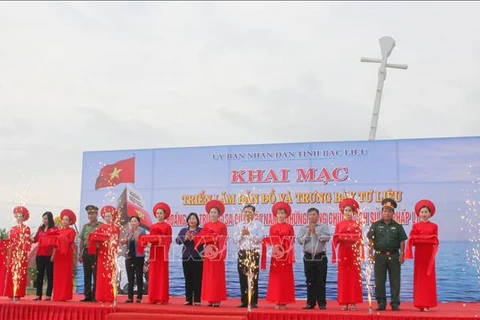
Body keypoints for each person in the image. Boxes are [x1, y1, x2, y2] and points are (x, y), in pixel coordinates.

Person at [367, 198, 408, 311]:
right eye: (385, 210)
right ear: (382, 212)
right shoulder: (375, 225)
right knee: (379, 281)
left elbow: (402, 241)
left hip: (394, 255)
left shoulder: (398, 226)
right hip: (380, 256)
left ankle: (395, 303)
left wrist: (402, 254)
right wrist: (370, 254)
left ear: (393, 213)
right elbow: (371, 241)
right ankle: (381, 303)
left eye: (390, 211)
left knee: (395, 280)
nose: (387, 213)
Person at [405, 199, 439, 312]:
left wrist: (426, 240)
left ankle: (428, 303)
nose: (424, 214)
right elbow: (412, 240)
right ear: (419, 214)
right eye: (422, 212)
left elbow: (435, 239)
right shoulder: (415, 226)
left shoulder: (434, 226)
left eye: (426, 212)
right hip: (419, 254)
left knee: (428, 278)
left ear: (430, 214)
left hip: (429, 255)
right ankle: (420, 303)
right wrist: (416, 240)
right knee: (420, 278)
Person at [261, 201, 295, 310]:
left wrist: (283, 242)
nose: (280, 215)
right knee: (275, 278)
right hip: (276, 256)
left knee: (285, 278)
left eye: (282, 213)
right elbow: (271, 240)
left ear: (286, 215)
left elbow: (292, 240)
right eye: (278, 213)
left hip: (285, 255)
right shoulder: (272, 227)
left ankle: (284, 301)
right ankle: (276, 299)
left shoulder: (289, 227)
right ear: (276, 215)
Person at [194, 200, 227, 307]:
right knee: (208, 276)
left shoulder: (222, 225)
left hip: (217, 253)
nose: (213, 214)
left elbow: (224, 239)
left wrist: (217, 240)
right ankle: (209, 298)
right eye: (211, 212)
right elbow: (201, 238)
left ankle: (217, 299)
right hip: (208, 253)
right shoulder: (206, 225)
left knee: (217, 276)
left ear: (218, 214)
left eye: (215, 212)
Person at [331, 198, 363, 311]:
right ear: (342, 211)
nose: (348, 213)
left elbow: (360, 239)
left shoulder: (357, 224)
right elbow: (335, 238)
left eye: (350, 210)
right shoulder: (339, 224)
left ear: (353, 212)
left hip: (354, 253)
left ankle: (353, 302)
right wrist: (339, 238)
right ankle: (344, 302)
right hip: (343, 253)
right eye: (346, 210)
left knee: (354, 278)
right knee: (343, 277)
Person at [297, 207, 331, 310]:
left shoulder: (323, 226)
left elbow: (327, 238)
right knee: (310, 280)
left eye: (314, 214)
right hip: (308, 256)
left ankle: (322, 303)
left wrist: (316, 233)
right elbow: (299, 241)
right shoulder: (303, 228)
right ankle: (310, 303)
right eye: (310, 214)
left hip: (320, 256)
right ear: (307, 216)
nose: (312, 216)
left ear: (318, 216)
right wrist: (307, 234)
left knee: (321, 280)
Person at [232, 204, 264, 308]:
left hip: (253, 252)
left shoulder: (258, 224)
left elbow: (260, 239)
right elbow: (235, 239)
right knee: (242, 277)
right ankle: (244, 301)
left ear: (254, 213)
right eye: (245, 212)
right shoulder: (239, 225)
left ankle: (253, 301)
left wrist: (249, 233)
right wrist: (242, 234)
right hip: (243, 252)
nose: (247, 214)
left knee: (253, 277)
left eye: (250, 212)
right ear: (243, 213)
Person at [88, 205, 121, 303]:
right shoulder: (101, 227)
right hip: (102, 253)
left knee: (110, 275)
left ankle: (110, 296)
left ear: (113, 217)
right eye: (106, 216)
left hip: (111, 253)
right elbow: (94, 237)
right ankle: (101, 296)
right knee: (102, 275)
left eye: (109, 216)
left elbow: (116, 240)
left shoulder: (116, 228)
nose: (107, 218)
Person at [145, 202, 172, 304]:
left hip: (162, 252)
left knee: (162, 274)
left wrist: (162, 242)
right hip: (154, 251)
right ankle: (153, 297)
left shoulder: (167, 226)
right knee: (154, 274)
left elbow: (169, 240)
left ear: (164, 215)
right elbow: (150, 239)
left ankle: (161, 297)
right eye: (157, 213)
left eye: (161, 213)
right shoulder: (153, 226)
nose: (159, 215)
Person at [4, 206, 32, 301]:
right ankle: (11, 292)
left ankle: (17, 293)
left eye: (20, 216)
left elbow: (27, 242)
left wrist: (25, 252)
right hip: (13, 253)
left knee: (19, 273)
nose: (18, 218)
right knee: (12, 273)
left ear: (24, 218)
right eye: (17, 216)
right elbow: (9, 242)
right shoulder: (12, 229)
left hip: (21, 254)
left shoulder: (26, 228)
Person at [175, 212, 203, 306]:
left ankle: (197, 300)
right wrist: (184, 238)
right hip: (186, 257)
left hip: (198, 257)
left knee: (198, 279)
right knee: (188, 278)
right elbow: (177, 241)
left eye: (194, 218)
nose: (192, 220)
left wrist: (196, 238)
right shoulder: (183, 230)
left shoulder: (201, 230)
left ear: (197, 221)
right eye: (190, 218)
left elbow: (204, 241)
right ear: (187, 221)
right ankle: (188, 299)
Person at [79, 205, 103, 302]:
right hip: (86, 251)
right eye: (89, 214)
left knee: (96, 274)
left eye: (93, 213)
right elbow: (81, 240)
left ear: (96, 214)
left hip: (97, 252)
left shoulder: (101, 226)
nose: (91, 216)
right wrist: (80, 253)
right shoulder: (85, 227)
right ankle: (87, 295)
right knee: (87, 273)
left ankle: (95, 295)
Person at [52, 209, 77, 301]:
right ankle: (57, 295)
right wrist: (53, 254)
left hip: (66, 253)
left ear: (70, 222)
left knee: (65, 274)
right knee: (58, 275)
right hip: (58, 254)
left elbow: (70, 241)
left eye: (66, 220)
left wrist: (60, 238)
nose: (64, 221)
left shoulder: (72, 231)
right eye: (63, 219)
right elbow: (55, 244)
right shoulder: (58, 231)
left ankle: (64, 295)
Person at [32, 211, 57, 301]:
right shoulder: (40, 229)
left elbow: (56, 243)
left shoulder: (54, 229)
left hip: (49, 254)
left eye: (46, 218)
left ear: (50, 219)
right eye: (43, 219)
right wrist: (27, 238)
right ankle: (38, 295)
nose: (44, 220)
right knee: (39, 274)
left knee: (49, 275)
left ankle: (48, 295)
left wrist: (54, 254)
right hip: (40, 254)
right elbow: (35, 239)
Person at [122, 215, 147, 303]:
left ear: (138, 222)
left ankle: (139, 297)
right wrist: (124, 241)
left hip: (138, 256)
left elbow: (144, 243)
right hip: (129, 257)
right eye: (132, 221)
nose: (133, 223)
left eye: (135, 221)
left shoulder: (142, 231)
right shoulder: (128, 232)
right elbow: (125, 243)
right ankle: (130, 297)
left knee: (139, 276)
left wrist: (137, 238)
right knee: (130, 277)